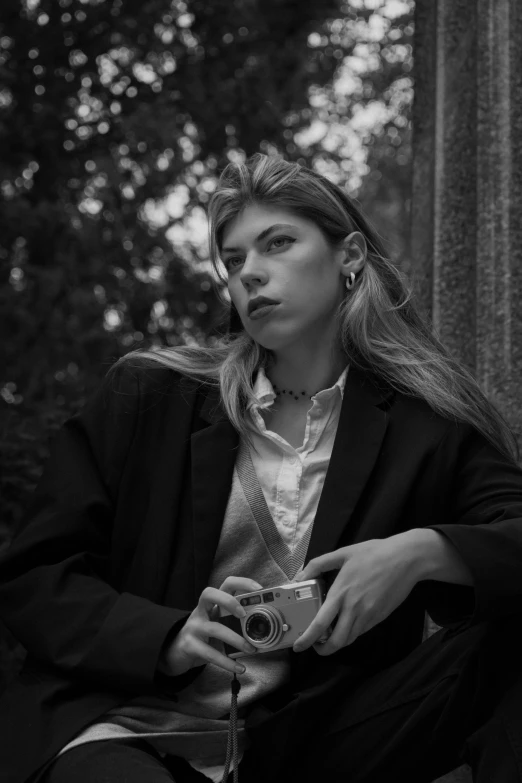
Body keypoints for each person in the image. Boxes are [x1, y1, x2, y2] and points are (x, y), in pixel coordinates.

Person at [1, 152, 522, 783]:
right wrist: (166, 638)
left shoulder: (427, 423)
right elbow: (34, 573)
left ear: (350, 256)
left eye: (278, 243)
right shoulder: (150, 394)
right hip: (129, 724)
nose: (250, 273)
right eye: (235, 259)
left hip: (313, 740)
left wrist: (417, 553)